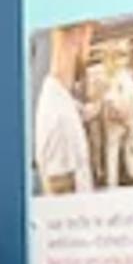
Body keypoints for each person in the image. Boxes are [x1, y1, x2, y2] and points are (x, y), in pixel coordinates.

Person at [35, 21, 95, 194]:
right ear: (80, 34)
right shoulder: (59, 115)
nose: (89, 52)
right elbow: (64, 210)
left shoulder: (60, 102)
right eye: (90, 40)